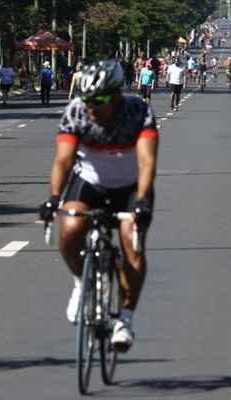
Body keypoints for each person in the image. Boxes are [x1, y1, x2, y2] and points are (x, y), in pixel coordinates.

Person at [39, 60, 158, 353]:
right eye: (88, 99)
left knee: (132, 243)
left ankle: (125, 320)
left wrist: (141, 201)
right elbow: (64, 160)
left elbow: (146, 162)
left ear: (117, 94)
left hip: (131, 185)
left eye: (100, 100)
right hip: (90, 181)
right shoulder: (77, 111)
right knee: (68, 228)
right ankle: (82, 282)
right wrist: (54, 198)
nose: (92, 106)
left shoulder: (138, 112)